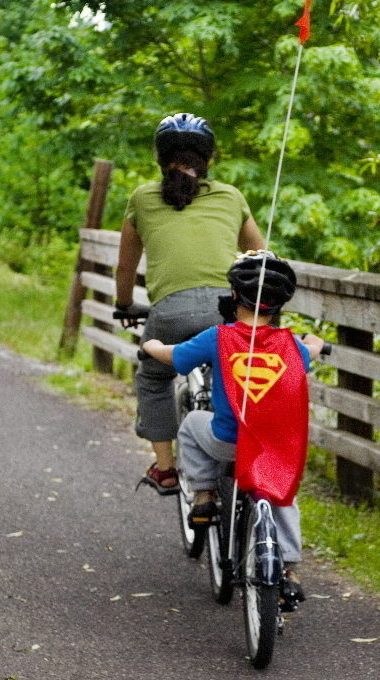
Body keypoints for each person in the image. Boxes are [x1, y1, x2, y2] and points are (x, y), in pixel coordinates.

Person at [141, 251, 325, 596]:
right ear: (279, 304)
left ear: (234, 297)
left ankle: (204, 492)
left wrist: (152, 345)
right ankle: (288, 567)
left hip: (227, 440)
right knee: (281, 493)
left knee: (193, 423)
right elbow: (311, 350)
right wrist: (316, 343)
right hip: (274, 447)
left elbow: (174, 356)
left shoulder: (218, 337)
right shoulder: (291, 346)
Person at [115, 113, 264, 494]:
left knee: (154, 374)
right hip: (226, 309)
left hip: (169, 312)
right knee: (236, 370)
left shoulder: (142, 198)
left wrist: (125, 303)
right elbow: (259, 255)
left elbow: (126, 265)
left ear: (160, 159)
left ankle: (165, 468)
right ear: (209, 159)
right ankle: (248, 453)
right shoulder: (231, 196)